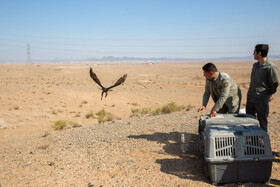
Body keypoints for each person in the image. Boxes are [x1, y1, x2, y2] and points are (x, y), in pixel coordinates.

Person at [246, 44, 279, 133]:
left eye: (254, 52)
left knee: (262, 124)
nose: (253, 53)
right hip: (251, 99)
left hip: (261, 100)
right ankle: (252, 145)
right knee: (249, 123)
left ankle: (263, 145)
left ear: (259, 53)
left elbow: (274, 84)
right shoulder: (255, 66)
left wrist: (269, 94)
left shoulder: (270, 67)